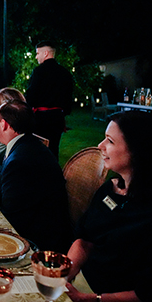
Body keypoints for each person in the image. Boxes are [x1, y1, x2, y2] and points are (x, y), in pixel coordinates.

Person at [66, 111, 152, 302]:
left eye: (110, 141)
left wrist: (89, 298)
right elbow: (84, 241)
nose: (100, 146)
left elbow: (144, 293)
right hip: (81, 285)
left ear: (137, 150)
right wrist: (63, 276)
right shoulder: (109, 189)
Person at [0, 100, 73, 252]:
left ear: (4, 125)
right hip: (35, 224)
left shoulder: (19, 160)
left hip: (37, 242)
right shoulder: (26, 144)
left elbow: (11, 216)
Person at [25, 41, 73, 160]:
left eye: (37, 53)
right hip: (57, 119)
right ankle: (53, 175)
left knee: (38, 150)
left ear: (45, 53)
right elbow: (68, 100)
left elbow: (30, 96)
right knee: (53, 149)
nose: (36, 57)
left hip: (40, 120)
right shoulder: (65, 73)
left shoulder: (38, 71)